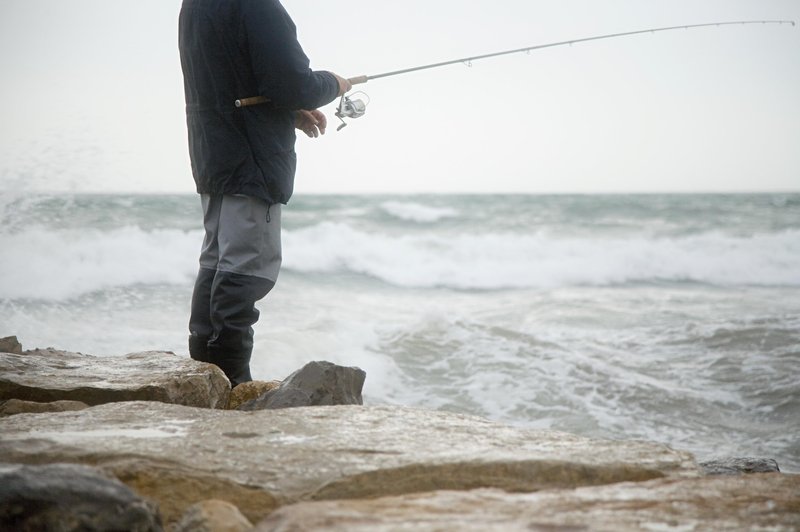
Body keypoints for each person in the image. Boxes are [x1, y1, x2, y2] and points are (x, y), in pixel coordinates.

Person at [178, 0, 351, 386]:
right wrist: (334, 82)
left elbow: (230, 75)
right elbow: (292, 83)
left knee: (217, 261)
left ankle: (205, 377)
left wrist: (289, 113)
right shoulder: (258, 5)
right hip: (250, 159)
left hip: (214, 152)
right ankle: (233, 384)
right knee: (244, 269)